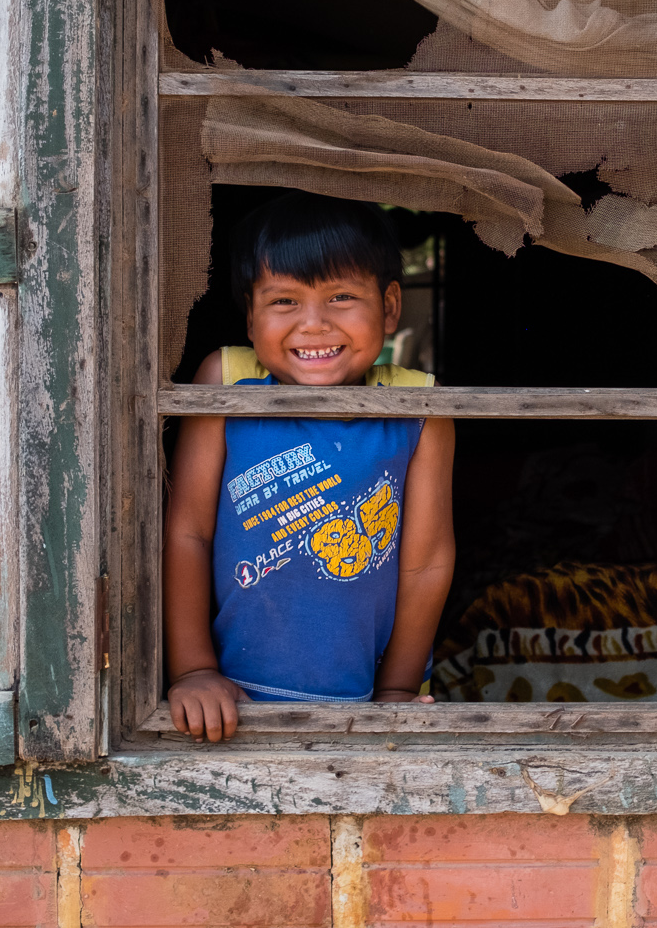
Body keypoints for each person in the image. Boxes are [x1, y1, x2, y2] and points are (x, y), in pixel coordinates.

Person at [164, 192, 456, 741]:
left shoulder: (419, 407)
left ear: (390, 306)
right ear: (249, 315)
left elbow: (427, 563)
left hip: (363, 695)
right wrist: (193, 670)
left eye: (341, 296)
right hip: (229, 698)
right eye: (283, 302)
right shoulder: (226, 381)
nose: (314, 324)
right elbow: (188, 532)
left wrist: (395, 690)